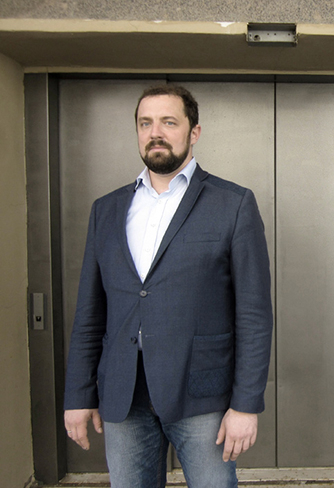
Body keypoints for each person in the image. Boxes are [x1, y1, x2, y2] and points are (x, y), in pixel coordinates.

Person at [63, 84, 273, 488]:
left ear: (194, 132)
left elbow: (254, 315)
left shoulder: (232, 204)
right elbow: (90, 313)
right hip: (123, 397)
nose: (155, 133)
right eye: (145, 123)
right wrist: (78, 395)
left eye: (168, 122)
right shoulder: (106, 210)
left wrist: (246, 405)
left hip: (203, 398)